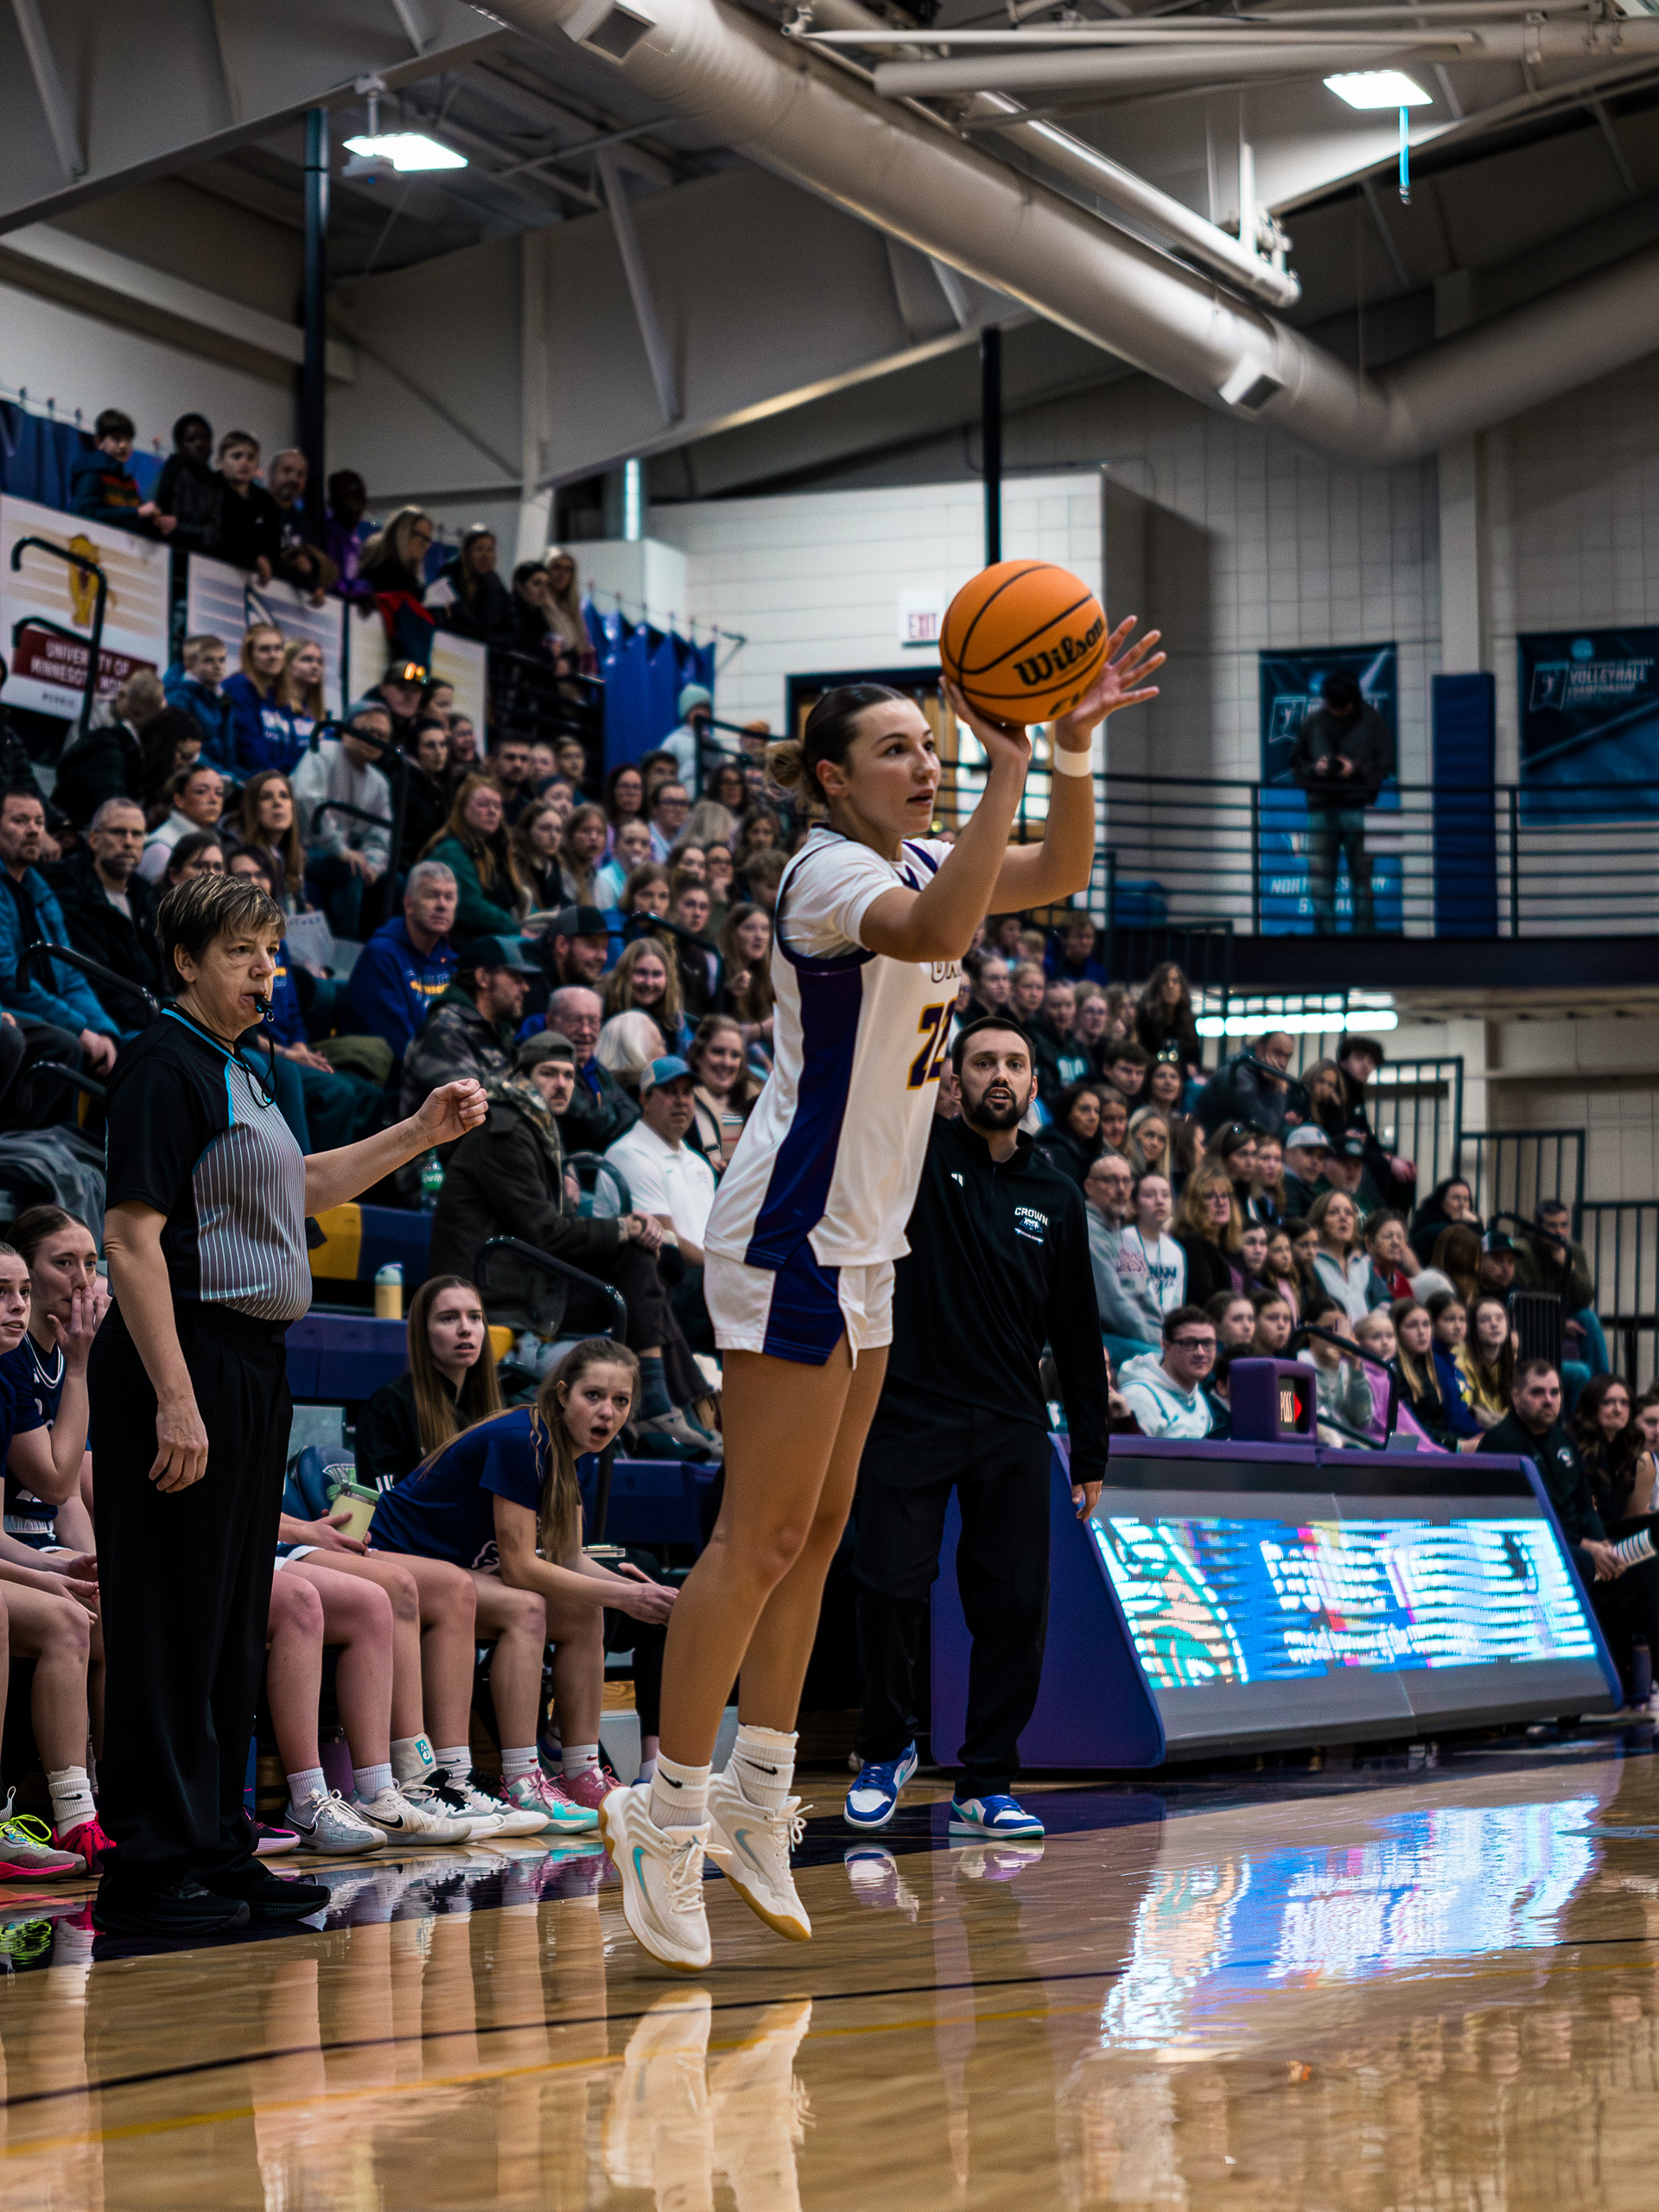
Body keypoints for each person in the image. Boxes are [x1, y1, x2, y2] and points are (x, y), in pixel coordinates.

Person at [601, 630, 1160, 1972]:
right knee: (758, 1538)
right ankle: (663, 1811)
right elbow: (944, 931)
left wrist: (1069, 752)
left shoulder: (913, 858)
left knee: (820, 1536)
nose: (922, 764)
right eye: (896, 750)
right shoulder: (829, 875)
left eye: (929, 743)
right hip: (789, 1236)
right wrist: (1005, 763)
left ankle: (758, 1791)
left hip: (865, 1244)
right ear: (831, 780)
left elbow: (1057, 870)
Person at [87, 871, 487, 1937]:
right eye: (240, 952)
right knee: (171, 1616)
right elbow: (129, 1238)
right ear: (185, 962)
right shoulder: (164, 1065)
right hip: (186, 1356)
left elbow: (300, 1187)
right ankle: (152, 1863)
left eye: (270, 951)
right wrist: (175, 1395)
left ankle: (218, 1843)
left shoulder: (247, 1070)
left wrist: (417, 1132)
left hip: (253, 1363)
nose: (265, 970)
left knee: (229, 1622)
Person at [846, 1014, 1106, 1840]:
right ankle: (885, 1749)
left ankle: (985, 1781)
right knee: (888, 1586)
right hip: (907, 1410)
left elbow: (1077, 1328)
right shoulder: (916, 1156)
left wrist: (1091, 1452)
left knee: (1015, 1606)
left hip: (1012, 1422)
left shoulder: (1057, 1193)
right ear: (953, 1081)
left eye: (1015, 1063)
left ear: (1034, 1084)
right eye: (983, 1061)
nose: (1000, 1074)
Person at [368, 1342, 677, 1821]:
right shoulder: (523, 1441)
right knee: (526, 1608)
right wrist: (627, 1595)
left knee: (584, 1612)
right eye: (593, 1395)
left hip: (460, 1577)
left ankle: (581, 1771)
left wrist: (643, 1593)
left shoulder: (572, 1453)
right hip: (394, 1563)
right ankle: (522, 1780)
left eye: (621, 1401)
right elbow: (520, 1569)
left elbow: (569, 1558)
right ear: (562, 1394)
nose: (607, 1412)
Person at [429, 1033, 709, 1452]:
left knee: (641, 1270)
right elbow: (546, 1232)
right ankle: (673, 1404)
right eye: (549, 1074)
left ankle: (668, 1404)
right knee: (634, 1259)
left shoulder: (534, 1126)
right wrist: (623, 1227)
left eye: (568, 1075)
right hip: (491, 1287)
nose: (561, 1084)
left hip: (520, 1271)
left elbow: (544, 1226)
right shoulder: (504, 1132)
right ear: (523, 1077)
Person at [0, 1237, 109, 1876]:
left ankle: (96, 1812)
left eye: (19, 1292)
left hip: (26, 1547)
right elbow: (60, 1482)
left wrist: (65, 1568)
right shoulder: (20, 1370)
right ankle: (66, 1813)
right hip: (21, 1543)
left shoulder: (10, 1376)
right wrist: (46, 1572)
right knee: (63, 1617)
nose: (16, 1306)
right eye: (2, 1293)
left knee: (97, 1609)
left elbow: (67, 1493)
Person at [1480, 1360, 1659, 1676]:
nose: (1548, 1400)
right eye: (1537, 1393)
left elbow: (1584, 1506)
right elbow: (1523, 1517)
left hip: (1578, 1545)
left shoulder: (1563, 1441)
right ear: (1515, 1395)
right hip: (1529, 1549)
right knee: (1588, 1563)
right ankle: (1598, 1672)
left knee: (1648, 1563)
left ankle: (1645, 1675)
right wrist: (1588, 1547)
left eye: (1555, 1392)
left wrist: (1603, 1543)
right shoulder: (1501, 1442)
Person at [0, 789, 120, 1073]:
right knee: (63, 1043)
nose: (33, 830)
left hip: (45, 1011)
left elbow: (70, 975)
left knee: (133, 1049)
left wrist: (102, 1030)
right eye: (20, 821)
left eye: (39, 822)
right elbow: (7, 976)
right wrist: (77, 1027)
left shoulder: (41, 891)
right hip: (12, 1008)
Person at [356, 1274, 505, 1490]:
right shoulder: (388, 1407)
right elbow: (389, 1500)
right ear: (423, 1332)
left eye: (475, 1317)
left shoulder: (494, 1404)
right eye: (448, 1318)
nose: (466, 1329)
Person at [1288, 669, 1394, 934]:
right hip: (1321, 808)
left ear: (1353, 701)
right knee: (1320, 885)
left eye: (1340, 706)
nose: (1334, 711)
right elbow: (1295, 763)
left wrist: (1355, 768)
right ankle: (1325, 945)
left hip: (1358, 807)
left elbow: (1386, 763)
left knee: (1362, 883)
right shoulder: (1314, 721)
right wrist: (1316, 769)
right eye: (1330, 705)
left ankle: (1364, 944)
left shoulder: (1373, 721)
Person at [45, 797, 163, 1011]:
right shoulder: (68, 892)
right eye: (118, 832)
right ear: (93, 840)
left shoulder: (148, 897)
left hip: (149, 1011)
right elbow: (96, 983)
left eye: (137, 834)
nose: (129, 842)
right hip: (105, 1013)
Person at [400, 935, 537, 1119]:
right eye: (515, 976)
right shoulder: (444, 1030)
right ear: (483, 978)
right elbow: (467, 1104)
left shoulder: (502, 1031)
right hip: (445, 1137)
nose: (525, 987)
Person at [291, 704, 393, 936]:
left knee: (394, 881)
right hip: (303, 849)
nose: (374, 740)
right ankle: (342, 948)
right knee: (349, 870)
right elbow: (306, 799)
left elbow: (380, 837)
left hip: (341, 855)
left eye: (381, 735)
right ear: (346, 730)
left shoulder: (380, 783)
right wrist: (340, 850)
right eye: (367, 732)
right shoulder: (324, 752)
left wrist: (373, 866)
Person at [347, 861, 459, 1064]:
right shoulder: (381, 955)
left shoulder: (450, 961)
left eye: (449, 897)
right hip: (395, 1069)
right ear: (408, 904)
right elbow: (394, 1041)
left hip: (441, 1064)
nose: (442, 905)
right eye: (432, 896)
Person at [422, 774, 529, 941]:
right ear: (462, 809)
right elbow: (470, 906)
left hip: (492, 936)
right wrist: (514, 928)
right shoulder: (451, 850)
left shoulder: (496, 850)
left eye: (497, 806)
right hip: (461, 941)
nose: (492, 811)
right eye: (483, 805)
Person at [1085, 1152, 1164, 1368]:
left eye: (1126, 1181)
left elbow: (1147, 1295)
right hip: (1106, 1337)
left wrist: (1164, 1333)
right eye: (1111, 1181)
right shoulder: (1086, 1232)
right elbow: (1112, 1305)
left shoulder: (1127, 1239)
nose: (1121, 1189)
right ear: (1089, 1187)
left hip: (1139, 1337)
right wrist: (1155, 1339)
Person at [70, 408, 174, 537]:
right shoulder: (92, 473)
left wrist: (156, 521)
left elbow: (132, 518)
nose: (124, 445)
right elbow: (85, 512)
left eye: (128, 440)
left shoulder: (126, 480)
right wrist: (137, 513)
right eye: (116, 439)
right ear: (99, 442)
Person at [1116, 1306, 1217, 1439]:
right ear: (1166, 1347)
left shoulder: (1198, 1398)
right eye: (1189, 1343)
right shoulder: (1141, 1397)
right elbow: (1134, 1452)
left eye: (1208, 1343)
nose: (1201, 1353)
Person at [360, 507, 438, 670]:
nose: (425, 544)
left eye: (428, 539)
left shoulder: (411, 584)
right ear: (403, 533)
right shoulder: (389, 574)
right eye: (420, 536)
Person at [1298, 1290, 1376, 1441]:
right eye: (1328, 1329)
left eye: (1341, 1329)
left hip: (1351, 1446)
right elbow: (1313, 1417)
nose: (1336, 1336)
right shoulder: (1299, 1366)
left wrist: (1356, 1367)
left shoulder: (1349, 1369)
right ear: (1309, 1329)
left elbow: (1362, 1419)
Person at [687, 1012, 760, 1173]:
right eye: (718, 1052)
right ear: (698, 1055)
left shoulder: (758, 1102)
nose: (727, 1062)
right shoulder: (681, 1102)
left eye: (735, 1055)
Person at [425, 524, 515, 645]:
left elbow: (508, 628)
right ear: (467, 552)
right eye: (479, 549)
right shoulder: (449, 576)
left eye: (490, 550)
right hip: (451, 646)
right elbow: (447, 619)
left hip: (482, 651)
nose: (485, 556)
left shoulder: (495, 584)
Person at [1389, 1297, 1460, 1447]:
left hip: (1434, 1445)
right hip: (1409, 1449)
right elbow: (1405, 1428)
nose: (1421, 1332)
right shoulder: (1392, 1371)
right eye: (1412, 1326)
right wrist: (1457, 1445)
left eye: (1426, 1324)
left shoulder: (1430, 1366)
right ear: (1396, 1332)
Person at [213, 430, 283, 582]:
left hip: (257, 581)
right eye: (237, 456)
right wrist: (253, 559)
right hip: (215, 574)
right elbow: (213, 540)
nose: (244, 462)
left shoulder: (266, 501)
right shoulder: (211, 492)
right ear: (220, 463)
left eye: (250, 458)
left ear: (257, 465)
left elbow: (274, 548)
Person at [163, 634, 238, 773]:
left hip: (221, 773)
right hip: (195, 774)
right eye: (208, 660)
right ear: (189, 664)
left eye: (222, 660)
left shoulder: (224, 700)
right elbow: (185, 751)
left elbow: (229, 753)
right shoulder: (179, 698)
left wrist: (237, 778)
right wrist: (224, 776)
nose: (218, 666)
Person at [1171, 1160, 1240, 1307]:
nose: (1221, 1203)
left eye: (1225, 1195)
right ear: (1193, 1204)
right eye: (1209, 1196)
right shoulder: (1193, 1244)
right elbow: (1203, 1301)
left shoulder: (1226, 1245)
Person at [153, 413, 221, 554]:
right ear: (180, 446)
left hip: (205, 557)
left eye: (204, 438)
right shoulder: (174, 470)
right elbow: (164, 521)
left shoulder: (216, 482)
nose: (200, 444)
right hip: (167, 551)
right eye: (191, 439)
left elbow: (216, 530)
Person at [1306, 1188, 1371, 1324]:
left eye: (1349, 1213)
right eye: (1334, 1212)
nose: (1343, 1217)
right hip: (1334, 1335)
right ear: (1320, 1221)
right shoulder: (1311, 1264)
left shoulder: (1362, 1264)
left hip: (1367, 1334)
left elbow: (1382, 1303)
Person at [1409, 1175, 1480, 1266]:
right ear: (1442, 1202)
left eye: (1466, 1199)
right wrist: (1475, 1226)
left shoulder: (1469, 1226)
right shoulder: (1432, 1227)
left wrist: (1476, 1225)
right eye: (1456, 1198)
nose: (1462, 1204)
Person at [664, 683, 714, 791]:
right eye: (697, 708)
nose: (702, 712)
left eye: (706, 708)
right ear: (687, 711)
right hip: (682, 794)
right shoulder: (674, 740)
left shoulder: (712, 742)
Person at [1280, 1123, 1333, 1220]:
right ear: (1288, 1154)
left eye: (1321, 1157)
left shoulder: (1300, 1187)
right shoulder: (1286, 1185)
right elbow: (1293, 1225)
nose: (1315, 1161)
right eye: (1309, 1152)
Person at [647, 779, 690, 865]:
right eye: (671, 802)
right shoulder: (645, 838)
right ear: (654, 808)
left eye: (682, 803)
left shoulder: (689, 837)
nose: (678, 809)